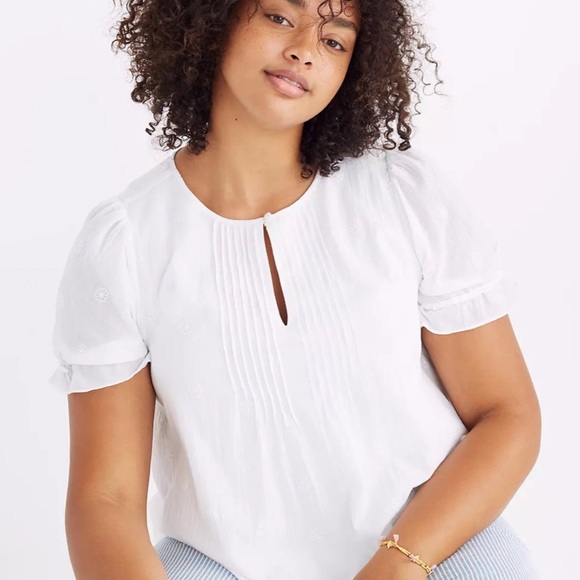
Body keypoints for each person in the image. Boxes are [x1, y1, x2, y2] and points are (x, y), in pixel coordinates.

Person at [48, 0, 543, 578]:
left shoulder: (401, 198)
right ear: (213, 19)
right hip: (223, 562)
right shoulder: (125, 245)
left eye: (335, 41)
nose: (304, 49)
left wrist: (399, 564)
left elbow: (505, 415)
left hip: (430, 543)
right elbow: (104, 499)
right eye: (280, 17)